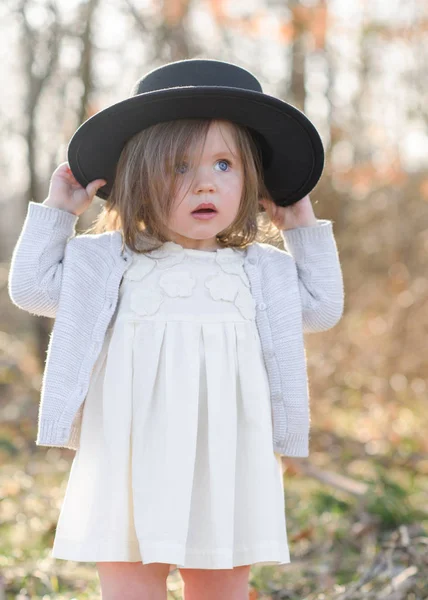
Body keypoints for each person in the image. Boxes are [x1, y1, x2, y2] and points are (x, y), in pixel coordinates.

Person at [8, 58, 344, 600]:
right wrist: (57, 212)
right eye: (180, 167)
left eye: (224, 165)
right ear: (138, 176)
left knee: (221, 582)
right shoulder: (111, 259)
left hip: (229, 456)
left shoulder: (261, 268)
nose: (204, 182)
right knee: (130, 581)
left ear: (250, 179)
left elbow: (322, 307)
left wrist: (302, 230)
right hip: (129, 451)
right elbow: (31, 289)